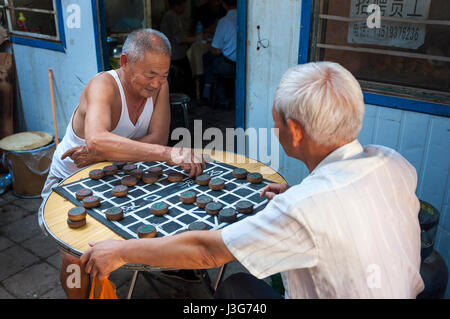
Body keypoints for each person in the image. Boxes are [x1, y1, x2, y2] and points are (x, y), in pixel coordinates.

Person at [80, 62, 425, 299]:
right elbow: (351, 201)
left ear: (293, 131)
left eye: (275, 122)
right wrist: (299, 192)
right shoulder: (393, 163)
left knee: (235, 290)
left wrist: (122, 250)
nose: (273, 129)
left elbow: (206, 251)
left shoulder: (304, 208)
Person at [40, 29, 205, 299]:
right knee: (76, 258)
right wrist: (167, 154)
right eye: (150, 75)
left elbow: (157, 137)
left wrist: (103, 153)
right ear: (125, 62)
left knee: (167, 221)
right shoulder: (103, 85)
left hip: (117, 174)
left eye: (163, 75)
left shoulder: (159, 86)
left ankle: (177, 267)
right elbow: (97, 139)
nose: (156, 84)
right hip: (71, 179)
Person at [201, 0, 236, 106]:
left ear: (224, 4)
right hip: (243, 65)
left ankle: (212, 93)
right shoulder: (246, 17)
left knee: (208, 58)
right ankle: (216, 95)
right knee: (211, 59)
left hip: (228, 66)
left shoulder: (224, 21)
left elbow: (215, 48)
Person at [160, 0, 195, 96]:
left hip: (172, 52)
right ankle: (189, 95)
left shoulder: (171, 15)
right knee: (189, 73)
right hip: (174, 54)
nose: (184, 8)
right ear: (177, 6)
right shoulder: (171, 16)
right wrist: (196, 39)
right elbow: (179, 39)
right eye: (183, 5)